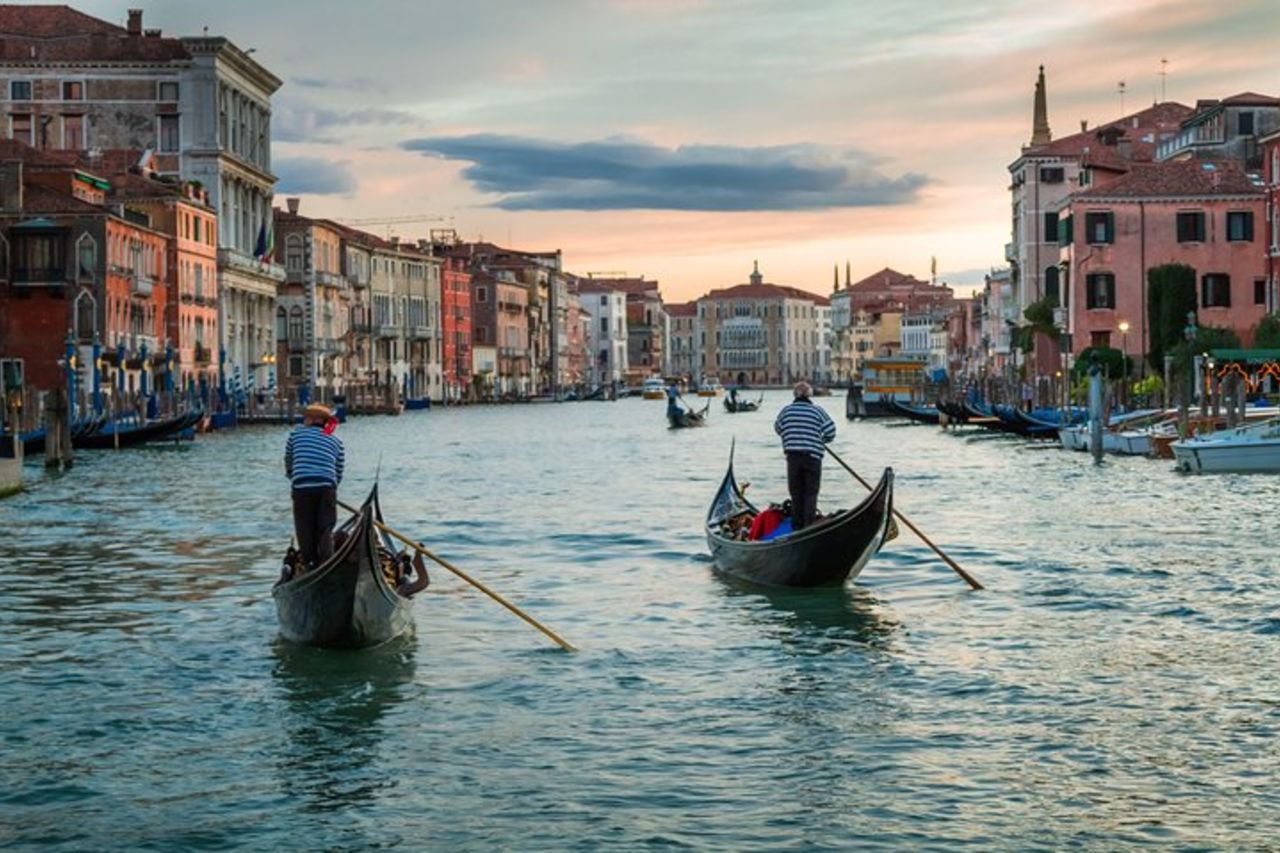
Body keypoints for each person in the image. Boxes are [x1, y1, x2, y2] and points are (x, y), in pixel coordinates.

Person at [284, 403, 345, 569]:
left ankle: (310, 561)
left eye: (306, 417)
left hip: (301, 486)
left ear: (311, 420)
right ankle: (327, 560)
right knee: (326, 526)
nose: (304, 420)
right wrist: (332, 488)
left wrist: (293, 476)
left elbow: (289, 460)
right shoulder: (336, 440)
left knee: (305, 527)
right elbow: (339, 470)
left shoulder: (295, 435)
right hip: (327, 486)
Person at [774, 381, 836, 531]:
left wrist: (791, 436)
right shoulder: (817, 411)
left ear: (794, 395)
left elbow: (778, 428)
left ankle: (797, 526)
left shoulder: (786, 411)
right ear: (810, 395)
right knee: (810, 493)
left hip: (793, 458)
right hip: (812, 457)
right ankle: (808, 527)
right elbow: (831, 431)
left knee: (796, 493)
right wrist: (820, 440)